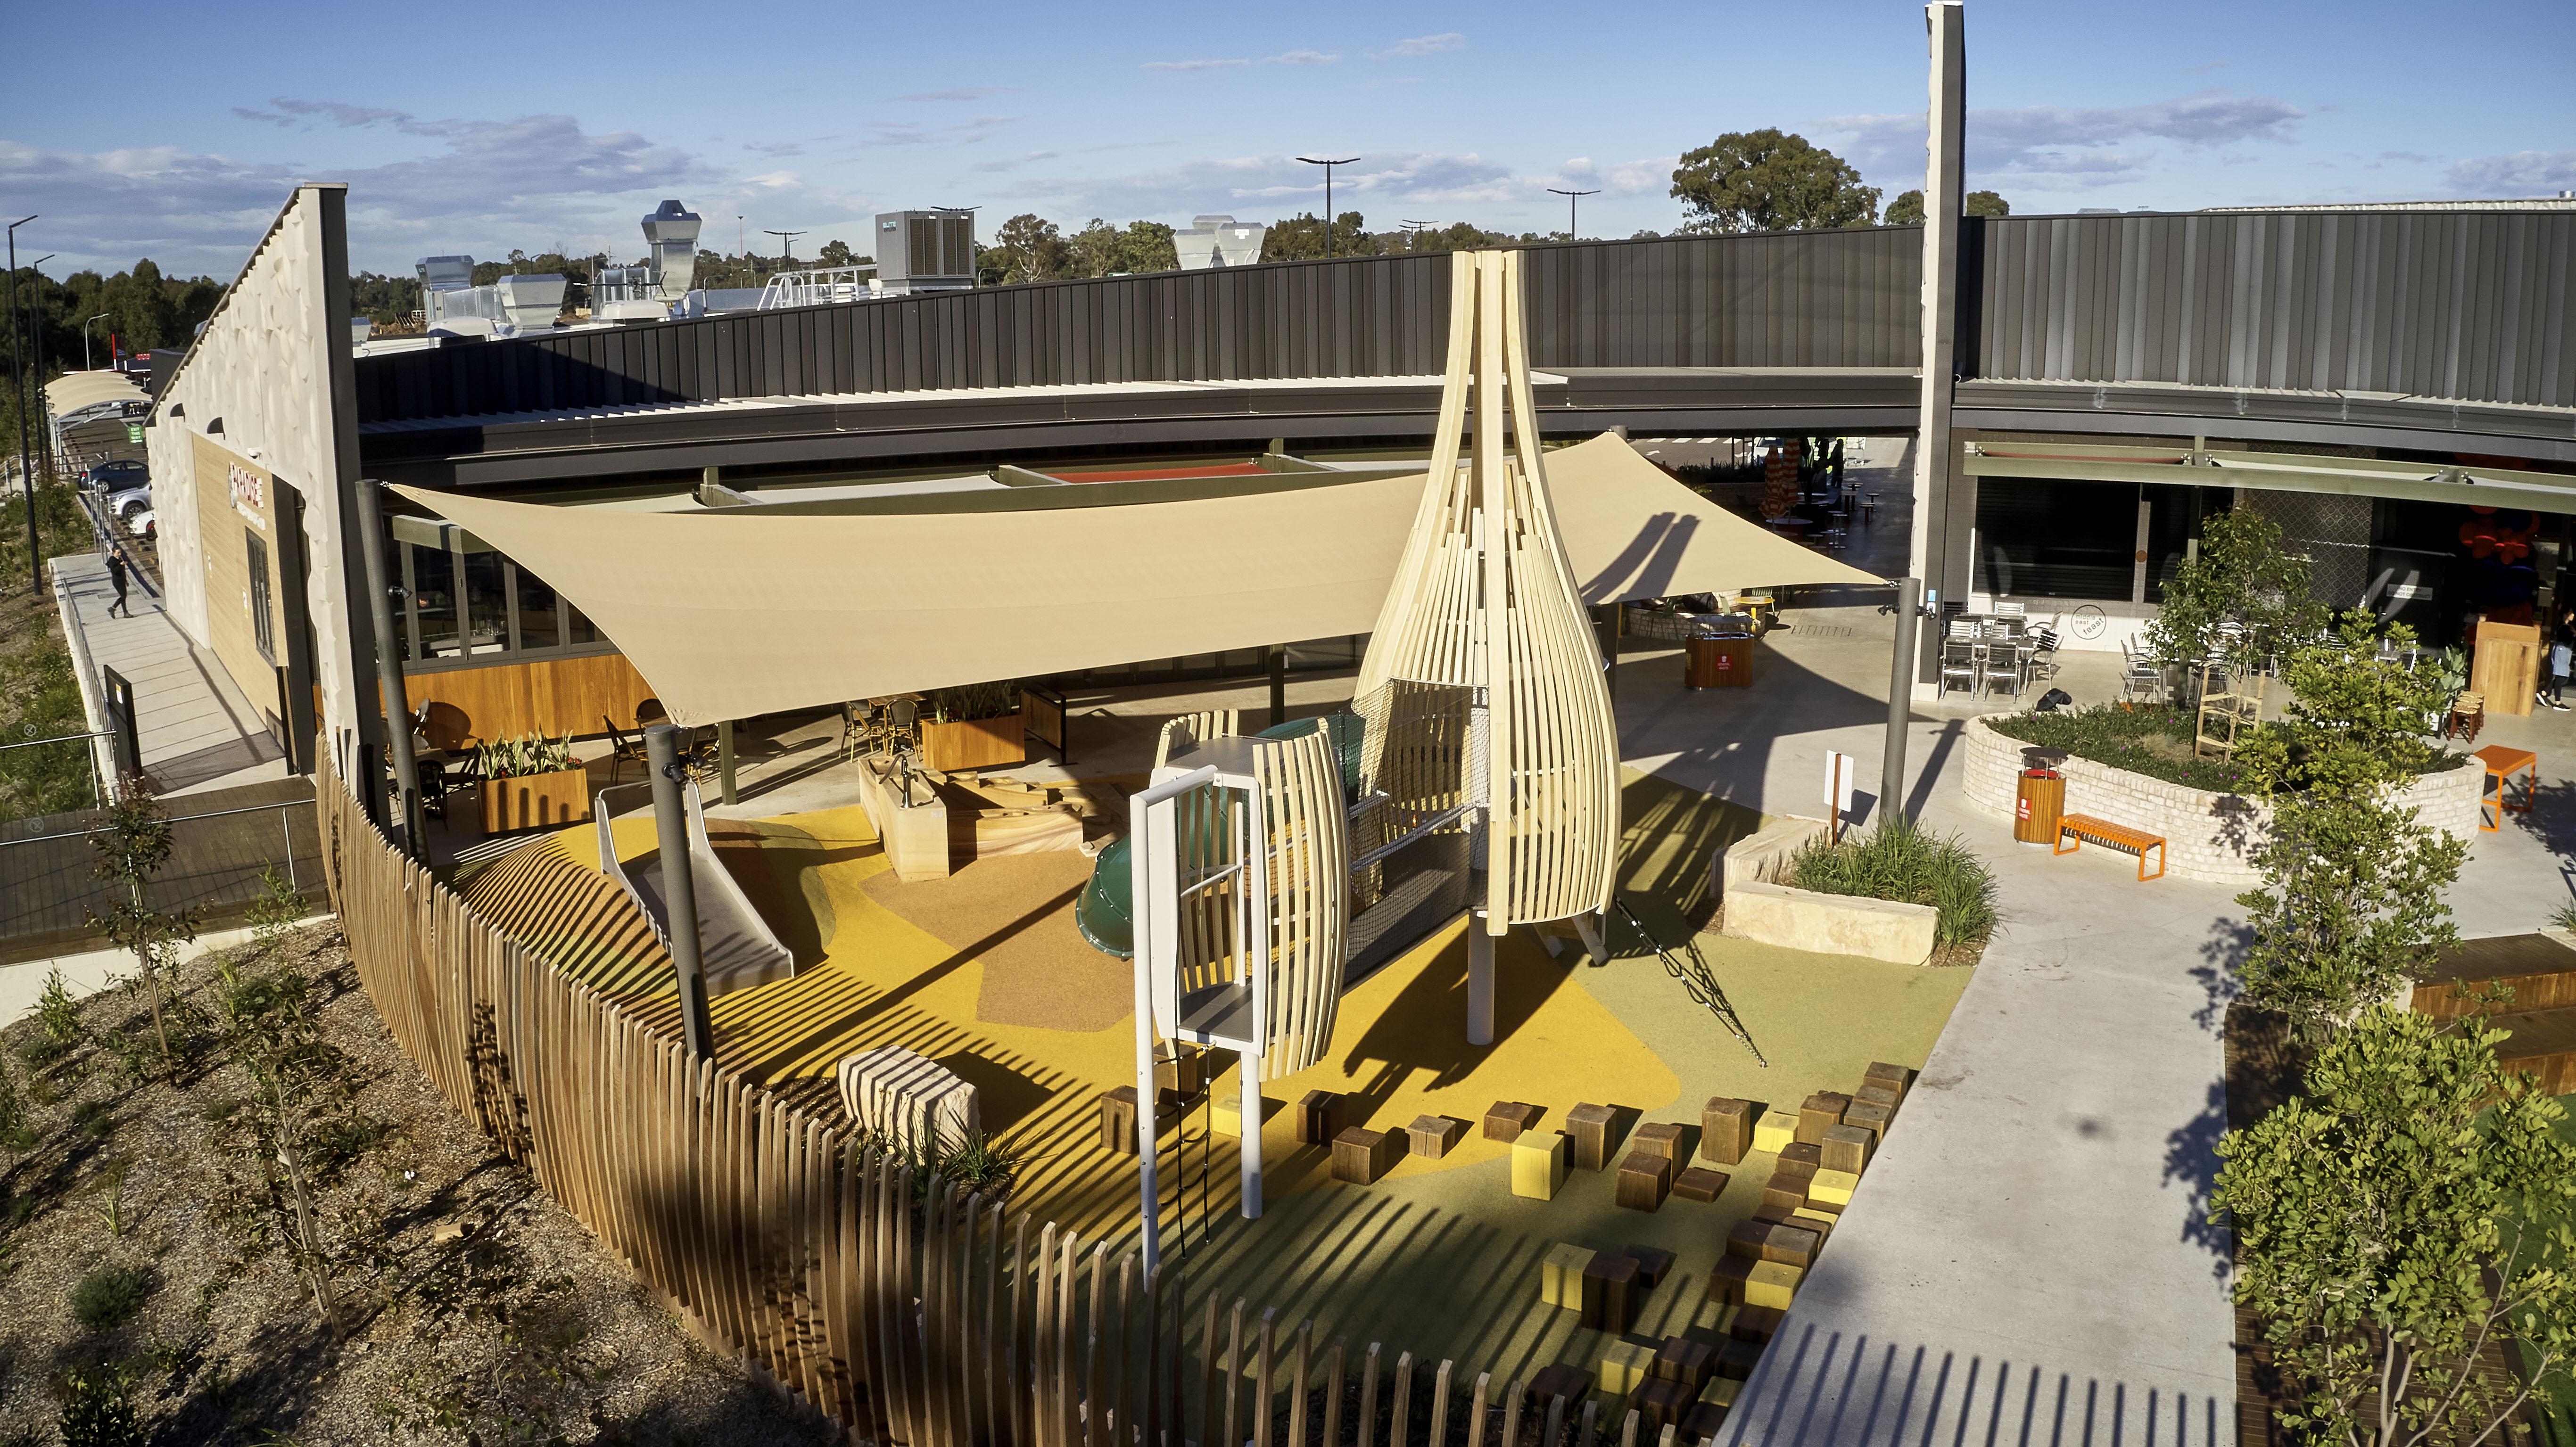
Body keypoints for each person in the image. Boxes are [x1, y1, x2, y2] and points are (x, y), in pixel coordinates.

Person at [2552, 621, 2574, 712]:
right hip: (2563, 651)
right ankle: (2557, 702)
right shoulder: (2564, 627)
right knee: (2561, 676)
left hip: (2565, 651)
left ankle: (2545, 692)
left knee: (2563, 676)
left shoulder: (2566, 626)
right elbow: (2566, 639)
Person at [106, 552, 130, 618]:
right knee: (123, 596)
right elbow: (115, 571)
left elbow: (123, 572)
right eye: (118, 553)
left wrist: (125, 580)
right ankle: (116, 609)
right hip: (117, 581)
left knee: (124, 597)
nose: (120, 554)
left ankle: (124, 612)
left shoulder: (120, 559)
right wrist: (120, 565)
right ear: (114, 553)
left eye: (120, 552)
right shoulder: (112, 560)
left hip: (122, 580)